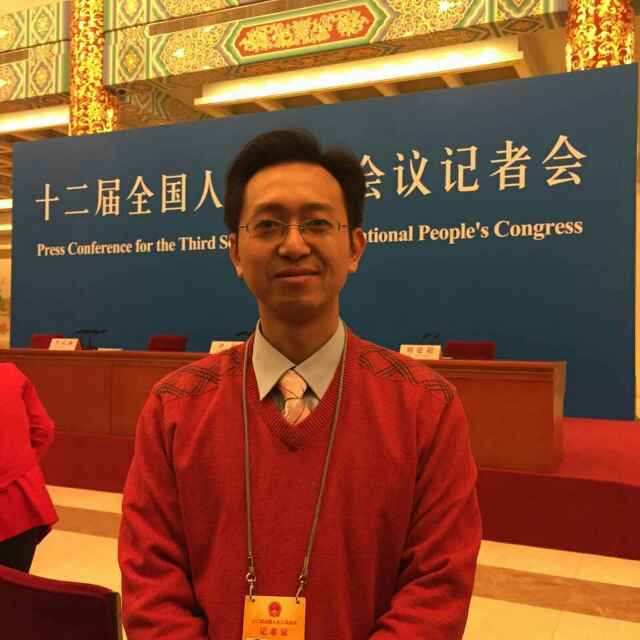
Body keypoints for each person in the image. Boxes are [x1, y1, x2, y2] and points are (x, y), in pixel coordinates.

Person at [119, 129, 482, 639]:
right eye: (268, 225)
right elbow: (151, 581)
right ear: (235, 252)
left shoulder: (425, 406)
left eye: (317, 223)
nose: (293, 245)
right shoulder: (175, 406)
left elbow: (437, 588)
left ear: (354, 248)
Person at [0, 363, 58, 572]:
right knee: (14, 587)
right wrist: (21, 464)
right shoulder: (10, 374)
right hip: (22, 505)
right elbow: (43, 431)